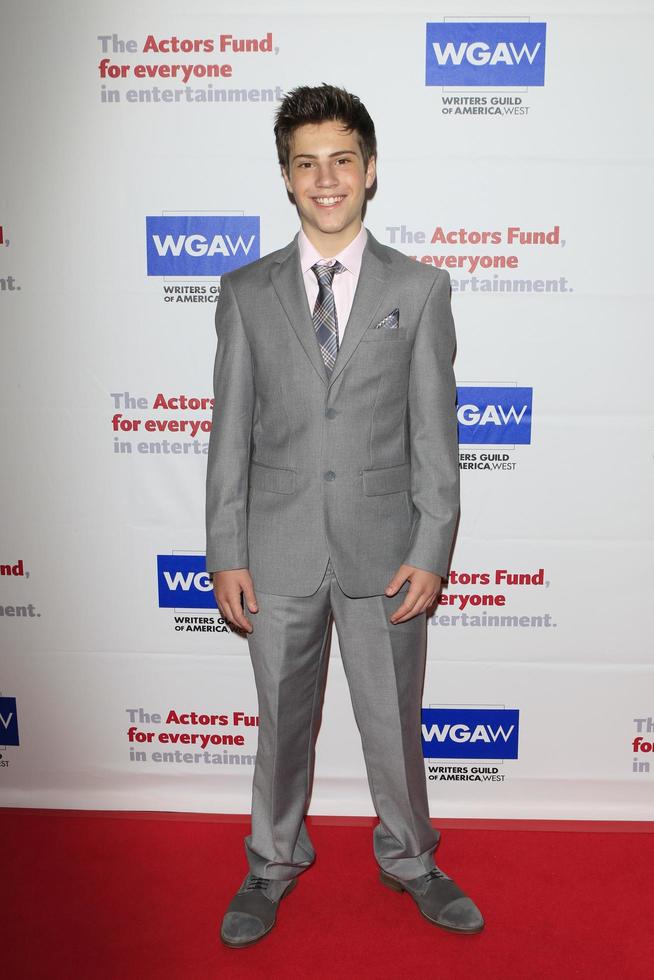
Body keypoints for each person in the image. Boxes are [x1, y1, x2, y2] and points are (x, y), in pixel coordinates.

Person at [205, 83, 483, 948]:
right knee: (281, 728)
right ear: (287, 179)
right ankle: (272, 864)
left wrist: (433, 546)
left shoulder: (421, 288)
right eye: (306, 164)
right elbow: (229, 432)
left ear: (370, 171)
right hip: (277, 548)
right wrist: (225, 550)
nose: (326, 179)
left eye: (342, 161)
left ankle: (412, 860)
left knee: (395, 724)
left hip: (385, 554)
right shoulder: (246, 291)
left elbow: (438, 435)